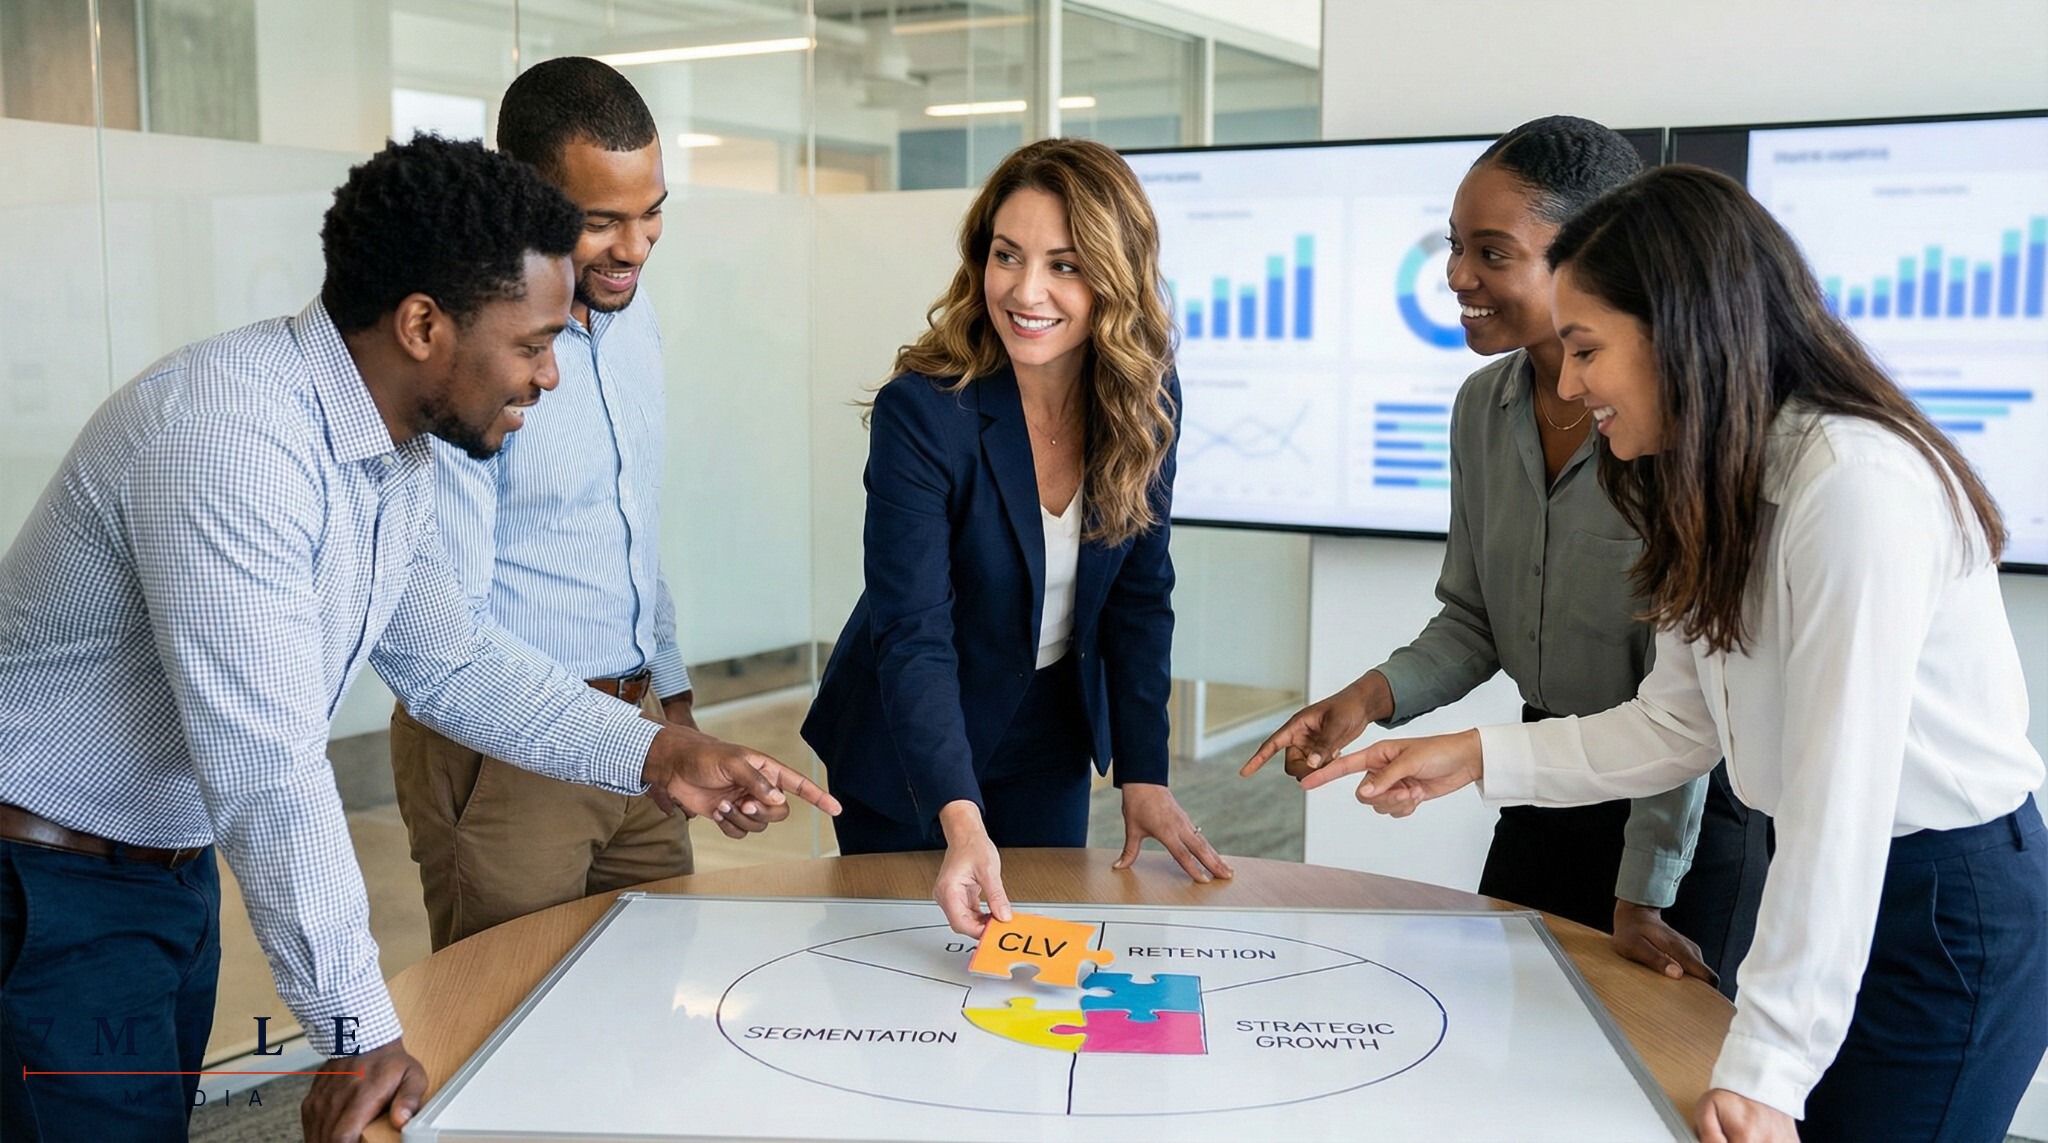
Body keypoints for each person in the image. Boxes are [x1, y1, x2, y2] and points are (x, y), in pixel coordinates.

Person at [0, 135, 837, 1143]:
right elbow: (268, 768)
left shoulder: (390, 455)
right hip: (46, 892)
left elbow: (452, 659)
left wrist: (660, 750)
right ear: (423, 325)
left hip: (157, 878)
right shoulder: (229, 440)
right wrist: (357, 1031)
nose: (548, 377)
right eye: (530, 344)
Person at [1295, 165, 2047, 1143]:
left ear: (1678, 335)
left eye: (1585, 351)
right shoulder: (1708, 478)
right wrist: (1472, 758)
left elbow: (1840, 800)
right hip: (1830, 876)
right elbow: (1675, 721)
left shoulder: (1851, 486)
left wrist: (1771, 1064)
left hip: (1942, 913)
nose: (1567, 385)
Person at [1244, 117, 1767, 990]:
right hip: (1542, 781)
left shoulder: (1672, 427)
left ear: (1590, 255)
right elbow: (1475, 617)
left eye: (1491, 252)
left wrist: (1641, 896)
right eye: (1454, 247)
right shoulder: (1479, 407)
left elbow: (1685, 713)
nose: (1456, 277)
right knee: (1516, 1042)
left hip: (1682, 817)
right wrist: (1365, 700)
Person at [802, 137, 1231, 938]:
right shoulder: (925, 410)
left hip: (1047, 730)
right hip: (907, 735)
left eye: (1065, 264)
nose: (1026, 290)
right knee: (902, 968)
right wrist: (960, 820)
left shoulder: (1145, 396)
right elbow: (913, 630)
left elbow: (1141, 593)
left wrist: (1144, 772)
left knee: (1029, 964)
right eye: (1008, 255)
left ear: (1116, 273)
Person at [389, 57, 758, 952]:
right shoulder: (467, 353)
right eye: (601, 221)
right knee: (510, 1029)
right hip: (509, 755)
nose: (634, 247)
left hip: (637, 736)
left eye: (652, 211)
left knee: (648, 1009)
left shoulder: (635, 324)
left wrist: (671, 704)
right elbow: (446, 641)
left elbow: (629, 531)